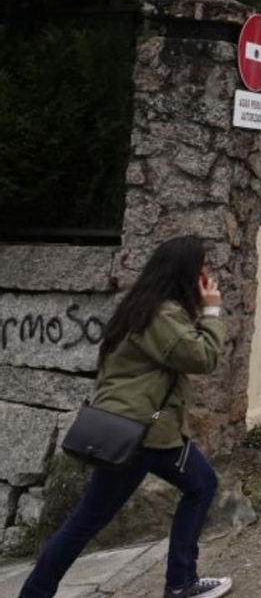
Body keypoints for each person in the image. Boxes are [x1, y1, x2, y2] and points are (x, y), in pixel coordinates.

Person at [22, 237, 232, 598]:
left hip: (146, 430)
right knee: (87, 520)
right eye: (201, 268)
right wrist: (212, 311)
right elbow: (201, 357)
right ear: (185, 272)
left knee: (201, 485)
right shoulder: (161, 314)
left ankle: (182, 582)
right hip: (139, 435)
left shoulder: (146, 308)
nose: (207, 276)